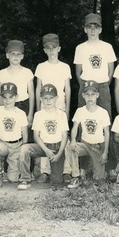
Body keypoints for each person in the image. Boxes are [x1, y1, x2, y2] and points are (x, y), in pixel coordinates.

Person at [34, 33, 72, 184]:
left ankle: (66, 170)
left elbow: (67, 89)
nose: (51, 51)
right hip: (45, 105)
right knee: (46, 136)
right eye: (48, 48)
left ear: (59, 49)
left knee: (63, 137)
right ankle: (45, 171)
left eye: (54, 48)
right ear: (44, 50)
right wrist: (38, 109)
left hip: (60, 106)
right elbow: (38, 88)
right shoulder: (41, 67)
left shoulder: (65, 67)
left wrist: (67, 109)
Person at [0, 40, 35, 182]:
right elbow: (1, 95)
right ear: (7, 55)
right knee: (8, 136)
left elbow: (32, 94)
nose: (16, 57)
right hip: (7, 105)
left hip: (23, 105)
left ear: (22, 56)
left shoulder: (27, 72)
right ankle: (8, 171)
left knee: (25, 139)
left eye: (19, 54)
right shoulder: (2, 73)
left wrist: (30, 114)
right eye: (13, 54)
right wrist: (1, 113)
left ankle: (27, 171)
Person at [19, 84, 69, 186]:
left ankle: (59, 173)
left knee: (56, 181)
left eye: (51, 98)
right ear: (41, 99)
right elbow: (36, 136)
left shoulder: (61, 114)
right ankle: (25, 178)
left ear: (56, 98)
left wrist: (59, 154)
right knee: (25, 148)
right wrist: (46, 150)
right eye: (45, 98)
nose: (48, 101)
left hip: (56, 147)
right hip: (43, 147)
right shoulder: (38, 114)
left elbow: (64, 136)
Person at [66, 80, 110, 189]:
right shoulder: (80, 111)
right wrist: (73, 141)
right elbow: (75, 128)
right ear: (83, 96)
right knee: (70, 147)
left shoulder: (103, 112)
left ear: (97, 95)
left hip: (98, 146)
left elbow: (107, 133)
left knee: (99, 179)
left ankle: (100, 171)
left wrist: (105, 152)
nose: (90, 97)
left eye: (93, 94)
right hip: (85, 145)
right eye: (87, 94)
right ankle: (76, 176)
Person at [73, 13, 116, 119]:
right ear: (85, 29)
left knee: (105, 118)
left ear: (100, 30)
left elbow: (111, 70)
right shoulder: (80, 48)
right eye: (89, 27)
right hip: (85, 86)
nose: (92, 30)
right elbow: (78, 72)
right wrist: (85, 86)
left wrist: (104, 85)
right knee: (83, 118)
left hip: (103, 86)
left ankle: (105, 136)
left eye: (96, 27)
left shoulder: (107, 47)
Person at [0, 82, 29, 189]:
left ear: (16, 97)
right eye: (4, 97)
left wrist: (23, 148)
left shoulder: (21, 113)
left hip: (17, 145)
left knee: (13, 179)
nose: (7, 100)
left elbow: (25, 133)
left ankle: (16, 173)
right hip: (3, 143)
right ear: (1, 98)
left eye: (11, 97)